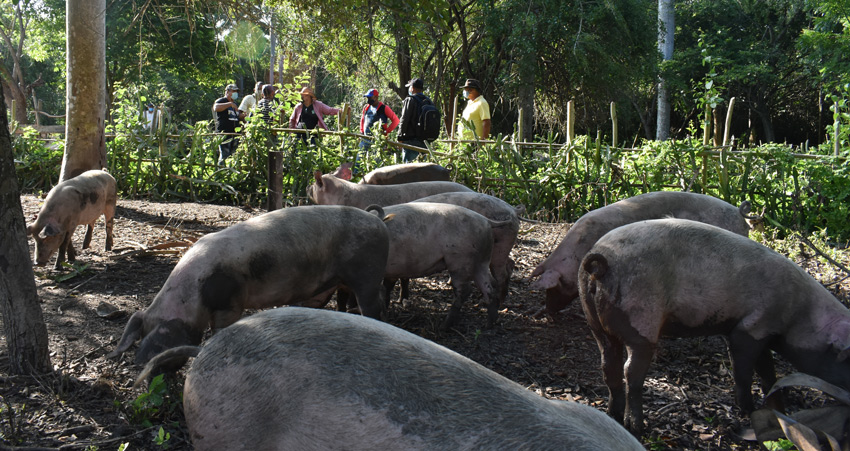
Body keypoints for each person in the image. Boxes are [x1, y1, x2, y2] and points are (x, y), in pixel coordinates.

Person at [397, 78, 434, 162]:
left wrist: (400, 137)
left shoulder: (410, 100)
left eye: (409, 87)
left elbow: (404, 119)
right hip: (425, 142)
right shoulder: (428, 101)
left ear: (412, 88)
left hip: (411, 142)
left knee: (409, 171)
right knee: (422, 171)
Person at [357, 89, 399, 163]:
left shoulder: (384, 108)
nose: (368, 99)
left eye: (370, 97)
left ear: (376, 97)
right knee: (358, 159)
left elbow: (396, 120)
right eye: (367, 98)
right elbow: (362, 119)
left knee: (376, 162)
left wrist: (386, 131)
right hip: (365, 138)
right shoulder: (366, 107)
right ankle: (356, 174)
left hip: (378, 140)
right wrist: (361, 131)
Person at [213, 83, 242, 164]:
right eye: (233, 91)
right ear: (227, 92)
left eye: (236, 91)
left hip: (235, 134)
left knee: (234, 155)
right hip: (224, 133)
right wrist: (230, 104)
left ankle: (230, 173)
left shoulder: (235, 104)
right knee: (225, 155)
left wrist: (242, 116)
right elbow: (216, 108)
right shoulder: (222, 101)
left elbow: (237, 116)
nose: (235, 93)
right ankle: (221, 173)